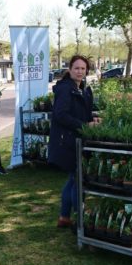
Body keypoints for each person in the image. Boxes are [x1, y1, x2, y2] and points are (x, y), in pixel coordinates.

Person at [48, 55, 101, 228]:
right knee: (79, 180)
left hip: (76, 140)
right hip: (67, 142)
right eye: (76, 68)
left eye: (83, 69)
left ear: (87, 71)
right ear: (70, 70)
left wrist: (94, 119)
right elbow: (60, 115)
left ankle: (64, 217)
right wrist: (85, 125)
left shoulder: (82, 89)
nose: (79, 71)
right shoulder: (65, 89)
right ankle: (80, 220)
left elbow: (81, 113)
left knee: (74, 178)